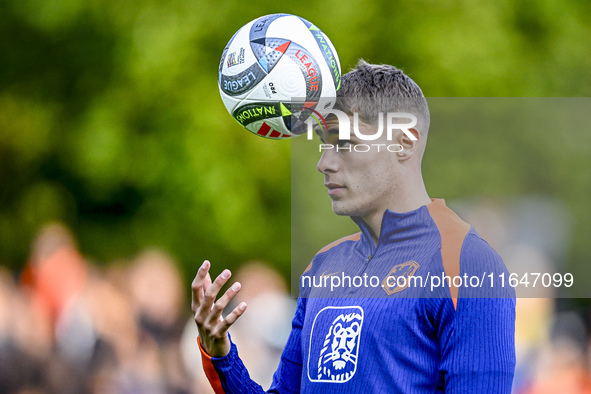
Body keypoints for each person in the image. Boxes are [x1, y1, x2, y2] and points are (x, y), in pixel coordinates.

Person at [191, 60, 516, 393]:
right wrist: (222, 355)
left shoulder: (467, 264)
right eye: (323, 142)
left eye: (343, 143)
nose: (324, 163)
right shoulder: (324, 266)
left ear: (404, 142)